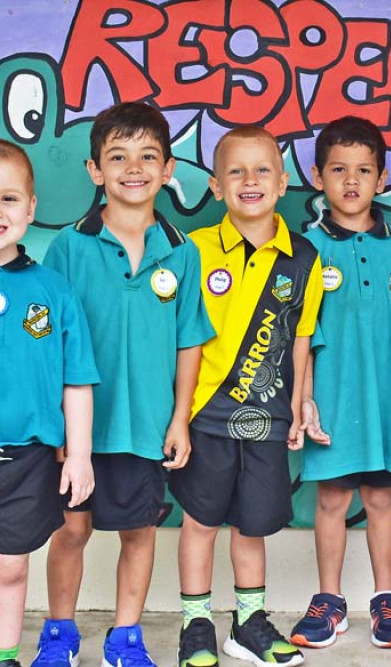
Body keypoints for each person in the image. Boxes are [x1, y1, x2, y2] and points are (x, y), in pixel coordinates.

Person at [38, 103, 213, 667]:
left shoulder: (181, 253)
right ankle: (59, 633)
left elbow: (190, 342)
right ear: (95, 170)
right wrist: (61, 426)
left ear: (167, 171)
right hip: (81, 428)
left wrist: (180, 417)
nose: (132, 168)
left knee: (139, 533)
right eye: (118, 157)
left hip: (146, 424)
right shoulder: (68, 247)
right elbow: (51, 344)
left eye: (147, 157)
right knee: (72, 530)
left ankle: (126, 639)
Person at [169, 126, 322, 667]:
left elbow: (301, 339)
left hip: (269, 420)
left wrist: (300, 404)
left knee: (252, 524)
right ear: (215, 186)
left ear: (283, 184)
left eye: (263, 170)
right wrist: (178, 418)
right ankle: (196, 625)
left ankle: (248, 623)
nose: (250, 180)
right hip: (206, 416)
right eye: (236, 170)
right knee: (200, 522)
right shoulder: (194, 250)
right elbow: (182, 337)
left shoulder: (305, 257)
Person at [289, 116, 391, 650]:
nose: (351, 181)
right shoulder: (306, 249)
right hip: (332, 395)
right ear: (318, 177)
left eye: (364, 170)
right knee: (331, 498)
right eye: (339, 170)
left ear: (382, 177)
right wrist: (305, 401)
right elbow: (303, 334)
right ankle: (329, 602)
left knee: (380, 498)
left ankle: (385, 600)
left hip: (388, 396)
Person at [0, 140, 98, 667]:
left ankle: (6, 654)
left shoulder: (53, 291)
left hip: (26, 459)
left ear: (31, 209)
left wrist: (78, 454)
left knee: (10, 567)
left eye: (9, 199)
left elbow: (76, 383)